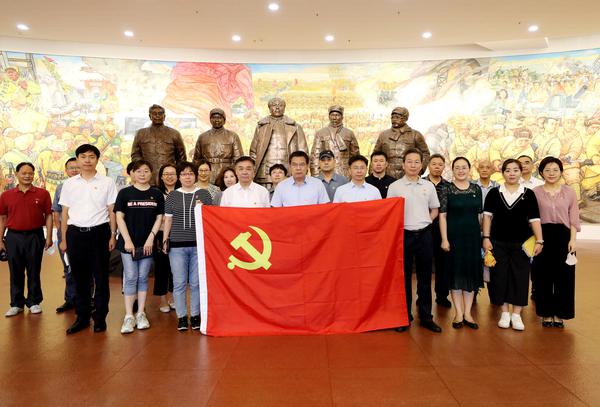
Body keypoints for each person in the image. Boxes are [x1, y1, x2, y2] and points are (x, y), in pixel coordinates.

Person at [59, 144, 118, 334]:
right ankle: (82, 317)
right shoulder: (69, 184)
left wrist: (113, 234)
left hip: (99, 233)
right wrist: (63, 239)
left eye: (91, 157)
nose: (87, 160)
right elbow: (65, 213)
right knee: (79, 278)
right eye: (83, 156)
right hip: (75, 234)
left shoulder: (107, 182)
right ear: (77, 159)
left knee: (101, 277)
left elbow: (112, 210)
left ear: (97, 160)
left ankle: (100, 318)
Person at [482, 158, 543, 331]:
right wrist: (486, 237)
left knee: (520, 277)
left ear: (521, 172)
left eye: (515, 170)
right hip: (497, 242)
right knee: (499, 276)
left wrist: (540, 240)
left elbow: (535, 219)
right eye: (508, 170)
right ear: (502, 173)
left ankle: (516, 314)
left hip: (521, 244)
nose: (512, 174)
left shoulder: (528, 194)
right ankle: (504, 313)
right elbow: (487, 217)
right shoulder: (494, 193)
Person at [387, 148, 442, 333]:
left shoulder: (428, 186)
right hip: (404, 235)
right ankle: (404, 317)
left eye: (416, 162)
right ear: (403, 165)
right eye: (409, 161)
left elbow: (435, 209)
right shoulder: (395, 187)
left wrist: (426, 221)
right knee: (403, 278)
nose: (413, 165)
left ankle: (426, 317)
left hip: (425, 235)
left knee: (425, 278)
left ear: (421, 165)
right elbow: (390, 213)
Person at [114, 160, 164, 334]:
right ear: (132, 173)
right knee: (131, 277)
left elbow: (159, 218)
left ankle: (141, 313)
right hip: (128, 243)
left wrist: (151, 238)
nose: (142, 174)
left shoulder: (156, 194)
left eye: (146, 171)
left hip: (147, 244)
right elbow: (119, 217)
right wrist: (127, 240)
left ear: (151, 173)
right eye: (139, 171)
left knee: (143, 277)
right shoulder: (124, 193)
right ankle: (129, 316)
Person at [163, 161, 213, 331]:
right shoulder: (172, 196)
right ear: (179, 177)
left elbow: (210, 219)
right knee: (179, 283)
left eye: (190, 173)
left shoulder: (204, 194)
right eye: (184, 174)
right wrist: (165, 240)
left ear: (195, 176)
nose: (187, 177)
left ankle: (196, 315)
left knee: (196, 283)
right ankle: (182, 317)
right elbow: (168, 220)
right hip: (176, 246)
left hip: (199, 246)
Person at [532, 157, 580, 328]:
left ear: (561, 172)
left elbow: (574, 218)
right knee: (543, 276)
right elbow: (532, 218)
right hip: (542, 237)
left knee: (564, 277)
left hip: (564, 237)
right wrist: (537, 240)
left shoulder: (570, 192)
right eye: (547, 170)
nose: (551, 173)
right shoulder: (535, 192)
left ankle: (560, 314)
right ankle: (546, 313)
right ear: (541, 172)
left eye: (555, 170)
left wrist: (573, 239)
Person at [0, 162, 52, 317]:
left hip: (35, 236)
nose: (27, 176)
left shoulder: (43, 194)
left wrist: (49, 237)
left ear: (34, 175)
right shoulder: (6, 195)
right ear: (17, 174)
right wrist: (0, 240)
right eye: (24, 173)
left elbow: (49, 215)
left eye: (30, 173)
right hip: (13, 237)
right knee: (15, 271)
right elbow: (2, 218)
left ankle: (34, 302)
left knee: (34, 270)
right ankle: (16, 304)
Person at [439, 157, 483, 329]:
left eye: (464, 167)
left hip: (472, 238)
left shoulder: (476, 189)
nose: (461, 170)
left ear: (469, 169)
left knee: (470, 274)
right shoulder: (446, 189)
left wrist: (482, 237)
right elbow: (443, 216)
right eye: (457, 167)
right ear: (453, 170)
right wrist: (444, 239)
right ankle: (458, 313)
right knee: (456, 274)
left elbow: (479, 215)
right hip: (453, 238)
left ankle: (468, 314)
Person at [249, 98, 308, 188]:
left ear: (284, 108)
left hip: (288, 172)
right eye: (274, 105)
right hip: (265, 173)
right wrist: (254, 170)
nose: (277, 107)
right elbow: (253, 151)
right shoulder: (261, 127)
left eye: (280, 105)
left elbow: (303, 151)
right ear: (269, 108)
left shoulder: (295, 127)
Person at [131, 104, 187, 185]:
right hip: (148, 179)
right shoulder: (141, 133)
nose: (157, 116)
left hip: (169, 179)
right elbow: (135, 154)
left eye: (160, 113)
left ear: (164, 116)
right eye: (154, 113)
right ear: (150, 116)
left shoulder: (174, 134)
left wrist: (175, 174)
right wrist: (143, 169)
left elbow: (181, 157)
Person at [423, 154, 451, 308]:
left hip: (443, 229)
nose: (437, 167)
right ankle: (423, 297)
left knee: (443, 264)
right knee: (425, 264)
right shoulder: (421, 183)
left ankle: (442, 296)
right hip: (424, 228)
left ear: (444, 167)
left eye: (440, 164)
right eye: (434, 164)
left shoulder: (448, 186)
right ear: (428, 165)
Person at [52, 157, 80, 313]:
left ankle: (87, 299)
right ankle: (70, 299)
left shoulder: (87, 186)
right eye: (71, 168)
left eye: (77, 167)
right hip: (65, 232)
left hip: (82, 231)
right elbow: (56, 211)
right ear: (66, 170)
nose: (74, 170)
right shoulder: (61, 188)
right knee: (68, 267)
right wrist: (60, 231)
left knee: (85, 267)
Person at [374, 107, 430, 178]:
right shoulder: (383, 135)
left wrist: (420, 170)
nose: (394, 119)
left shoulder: (415, 135)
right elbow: (375, 155)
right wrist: (372, 174)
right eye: (392, 117)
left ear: (405, 119)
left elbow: (425, 153)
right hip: (386, 176)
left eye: (397, 117)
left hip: (408, 176)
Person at [192, 108, 243, 183]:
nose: (217, 120)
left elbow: (238, 160)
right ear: (210, 119)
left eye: (219, 117)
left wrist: (231, 175)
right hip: (207, 174)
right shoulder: (202, 137)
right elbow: (196, 160)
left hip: (226, 175)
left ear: (224, 120)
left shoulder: (232, 136)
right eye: (214, 117)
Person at [154, 164, 179, 313]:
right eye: (166, 174)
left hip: (179, 234)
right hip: (160, 234)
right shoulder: (156, 193)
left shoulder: (182, 192)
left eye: (172, 174)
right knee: (162, 268)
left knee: (176, 269)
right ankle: (163, 299)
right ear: (161, 177)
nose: (169, 177)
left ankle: (173, 297)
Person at [310, 105, 360, 177]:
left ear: (342, 117)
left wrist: (354, 175)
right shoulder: (321, 133)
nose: (334, 117)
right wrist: (316, 177)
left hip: (345, 174)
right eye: (332, 115)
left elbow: (356, 156)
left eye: (337, 115)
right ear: (329, 116)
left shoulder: (349, 133)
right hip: (326, 174)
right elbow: (315, 156)